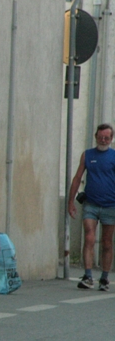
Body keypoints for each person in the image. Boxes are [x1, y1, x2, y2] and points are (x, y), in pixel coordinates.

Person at [67, 123, 115, 291]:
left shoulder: (114, 156)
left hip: (110, 205)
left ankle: (104, 277)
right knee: (89, 237)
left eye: (107, 138)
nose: (103, 140)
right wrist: (70, 201)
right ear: (96, 137)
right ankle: (88, 276)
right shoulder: (87, 155)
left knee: (107, 242)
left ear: (111, 139)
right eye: (101, 137)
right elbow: (77, 177)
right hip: (91, 204)